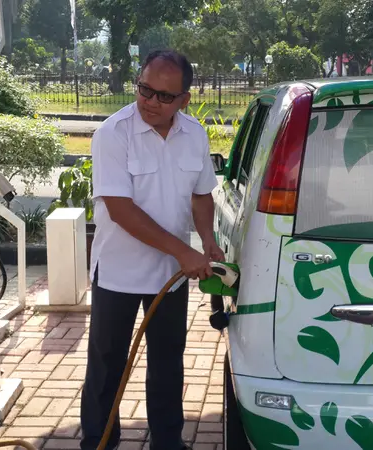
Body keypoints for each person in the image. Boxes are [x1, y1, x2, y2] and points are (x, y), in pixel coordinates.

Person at [80, 49, 225, 450]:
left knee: (166, 365)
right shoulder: (113, 133)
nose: (150, 102)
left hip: (169, 277)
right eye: (145, 90)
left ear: (184, 99)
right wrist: (183, 250)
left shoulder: (194, 134)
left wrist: (207, 239)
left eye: (164, 96)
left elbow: (201, 195)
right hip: (118, 272)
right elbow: (122, 211)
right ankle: (99, 441)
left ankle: (168, 442)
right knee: (107, 366)